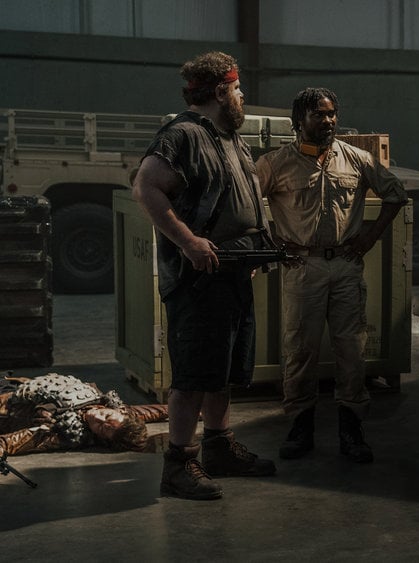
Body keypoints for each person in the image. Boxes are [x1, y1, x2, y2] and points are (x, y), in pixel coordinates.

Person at [132, 51, 277, 501]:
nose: (241, 96)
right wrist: (189, 243)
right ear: (219, 91)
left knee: (222, 370)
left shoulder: (230, 138)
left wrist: (257, 249)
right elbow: (146, 186)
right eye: (237, 89)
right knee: (193, 375)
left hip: (232, 271)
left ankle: (217, 448)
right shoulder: (183, 135)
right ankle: (178, 465)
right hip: (199, 279)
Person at [255, 88, 408, 463]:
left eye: (332, 113)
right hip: (301, 268)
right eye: (318, 115)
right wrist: (275, 241)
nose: (328, 121)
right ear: (298, 121)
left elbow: (396, 193)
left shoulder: (356, 159)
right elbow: (248, 204)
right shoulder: (276, 163)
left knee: (351, 351)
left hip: (345, 268)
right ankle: (300, 427)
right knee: (300, 351)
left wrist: (370, 238)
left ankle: (352, 430)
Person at [0, 373, 167, 457]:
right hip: (13, 385)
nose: (98, 418)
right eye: (107, 417)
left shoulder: (65, 432)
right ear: (119, 410)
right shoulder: (117, 410)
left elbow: (13, 442)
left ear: (100, 437)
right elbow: (151, 412)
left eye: (102, 428)